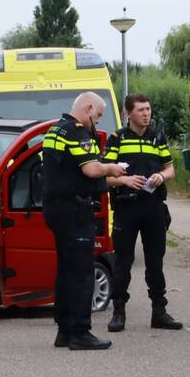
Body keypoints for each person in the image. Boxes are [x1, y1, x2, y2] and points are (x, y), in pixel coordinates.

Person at [41, 92, 127, 350]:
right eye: (98, 115)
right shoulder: (76, 131)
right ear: (88, 108)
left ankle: (64, 330)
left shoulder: (54, 130)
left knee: (65, 270)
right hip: (74, 209)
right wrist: (112, 168)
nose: (97, 122)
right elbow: (90, 169)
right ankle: (80, 331)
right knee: (81, 273)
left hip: (55, 208)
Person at [102, 93, 182, 332]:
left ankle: (159, 311)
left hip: (154, 207)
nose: (146, 114)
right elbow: (105, 177)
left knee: (155, 262)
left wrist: (161, 176)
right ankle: (118, 312)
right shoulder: (117, 139)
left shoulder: (157, 138)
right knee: (123, 262)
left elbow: (170, 169)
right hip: (127, 208)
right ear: (128, 114)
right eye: (141, 110)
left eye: (148, 109)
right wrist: (125, 180)